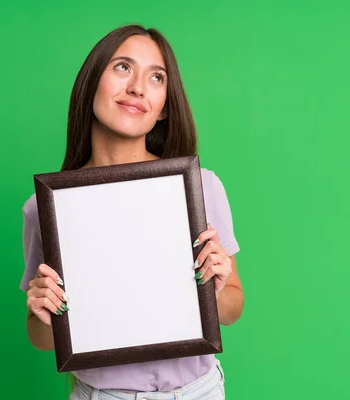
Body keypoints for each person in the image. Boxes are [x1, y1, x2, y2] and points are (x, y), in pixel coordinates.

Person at [20, 24, 244, 399]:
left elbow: (233, 308)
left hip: (199, 392)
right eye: (123, 67)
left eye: (156, 77)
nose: (138, 87)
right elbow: (41, 337)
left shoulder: (201, 188)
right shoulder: (46, 207)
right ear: (93, 82)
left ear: (163, 109)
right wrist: (45, 312)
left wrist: (215, 289)